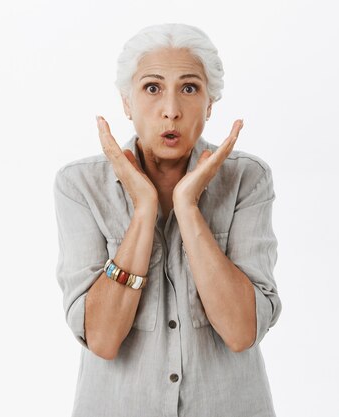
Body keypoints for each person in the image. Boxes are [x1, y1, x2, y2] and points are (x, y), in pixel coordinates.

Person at [53, 23, 281, 417]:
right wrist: (143, 209)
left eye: (189, 88)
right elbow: (103, 340)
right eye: (152, 88)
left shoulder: (247, 178)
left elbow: (242, 331)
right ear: (127, 102)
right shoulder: (80, 185)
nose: (171, 109)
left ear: (210, 104)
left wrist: (188, 207)